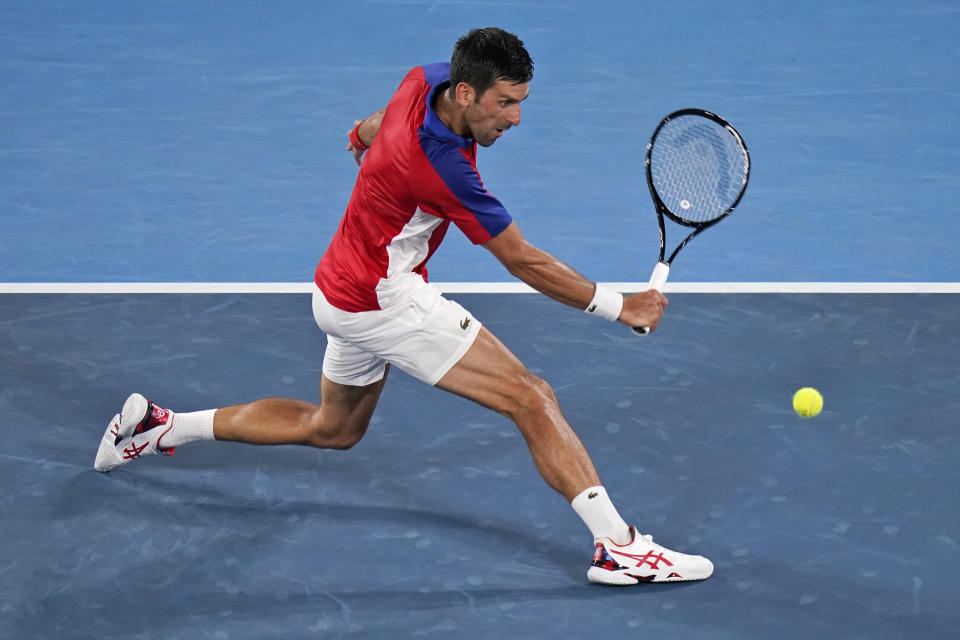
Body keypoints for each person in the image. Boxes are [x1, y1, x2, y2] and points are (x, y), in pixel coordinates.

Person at [94, 27, 713, 585]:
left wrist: (363, 137)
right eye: (506, 102)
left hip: (337, 287)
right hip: (382, 302)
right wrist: (618, 304)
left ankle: (158, 427)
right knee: (531, 396)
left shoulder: (424, 79)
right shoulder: (442, 171)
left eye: (522, 99)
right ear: (465, 93)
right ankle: (619, 547)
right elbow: (523, 260)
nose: (517, 117)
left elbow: (372, 123)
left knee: (332, 429)